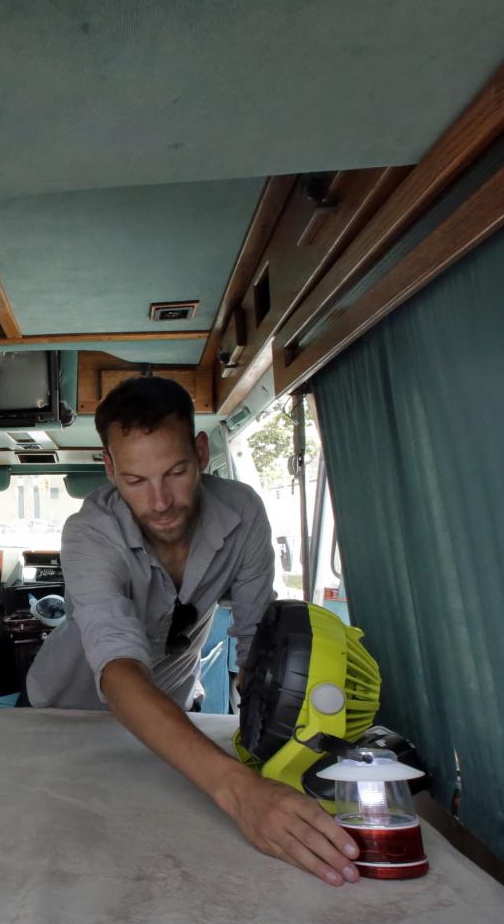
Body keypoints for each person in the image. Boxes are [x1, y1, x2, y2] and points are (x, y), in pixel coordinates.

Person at [23, 377, 360, 887]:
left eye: (176, 472)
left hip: (170, 715)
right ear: (109, 469)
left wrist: (273, 756)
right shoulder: (89, 532)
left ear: (201, 452)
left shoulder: (243, 512)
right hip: (65, 714)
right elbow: (117, 668)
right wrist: (240, 792)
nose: (159, 502)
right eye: (135, 481)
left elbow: (256, 645)